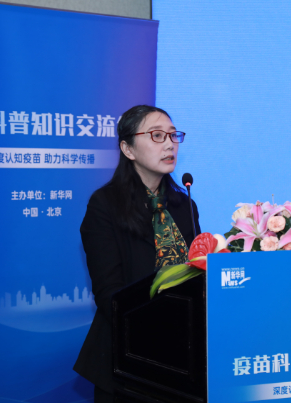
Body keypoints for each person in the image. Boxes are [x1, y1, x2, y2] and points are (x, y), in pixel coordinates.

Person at [74, 105, 201, 403]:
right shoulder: (105, 206)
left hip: (184, 358)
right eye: (157, 135)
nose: (169, 144)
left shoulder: (185, 205)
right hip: (129, 360)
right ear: (128, 149)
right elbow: (110, 294)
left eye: (173, 135)